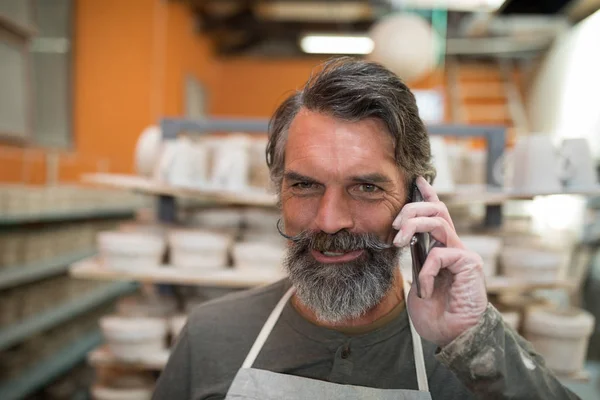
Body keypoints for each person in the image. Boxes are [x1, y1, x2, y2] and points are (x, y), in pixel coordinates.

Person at [152, 57, 580, 399]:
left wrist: (474, 339)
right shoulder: (212, 337)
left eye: (366, 187)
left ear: (417, 197)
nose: (329, 220)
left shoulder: (472, 363)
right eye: (304, 184)